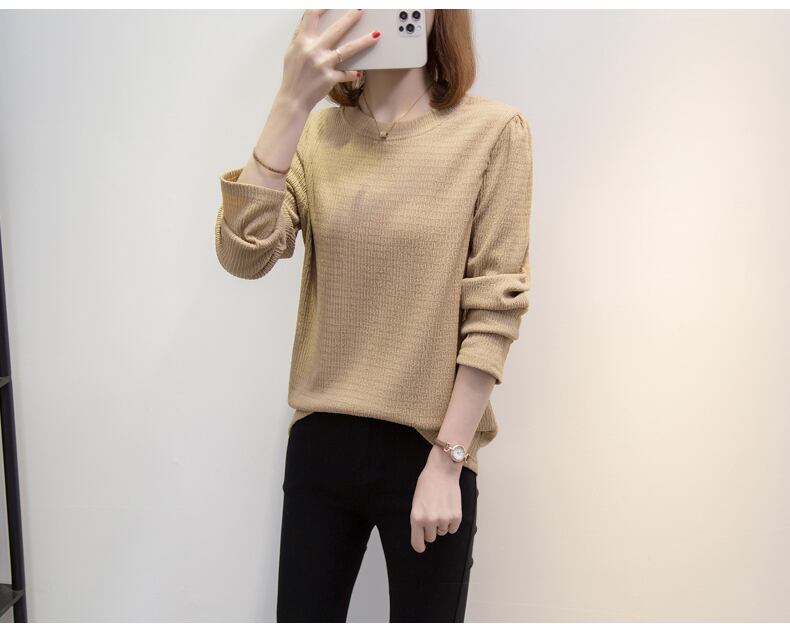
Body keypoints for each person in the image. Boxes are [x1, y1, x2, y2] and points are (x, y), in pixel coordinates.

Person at [214, 8, 533, 623]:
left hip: (431, 447)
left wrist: (448, 460)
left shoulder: (494, 132)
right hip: (321, 443)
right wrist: (290, 100)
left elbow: (494, 307)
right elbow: (244, 254)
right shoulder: (318, 134)